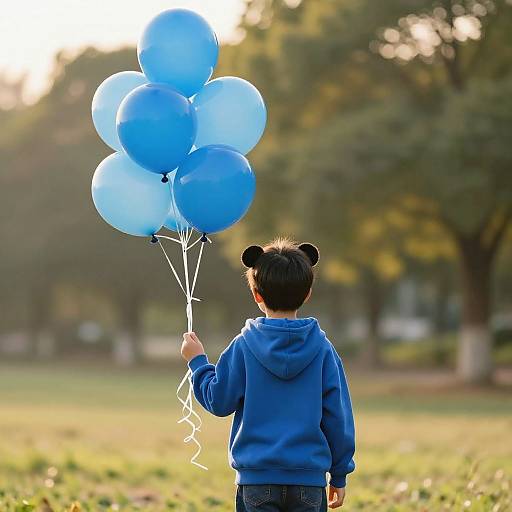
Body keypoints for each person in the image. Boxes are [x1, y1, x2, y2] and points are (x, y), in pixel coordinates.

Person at [181, 238, 355, 511]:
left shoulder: (243, 346)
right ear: (308, 292)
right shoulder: (323, 349)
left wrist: (197, 362)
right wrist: (340, 473)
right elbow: (338, 415)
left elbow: (218, 400)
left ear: (256, 294)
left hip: (257, 482)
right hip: (309, 483)